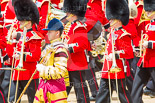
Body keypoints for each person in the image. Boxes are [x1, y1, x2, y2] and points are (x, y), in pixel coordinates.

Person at [95, 0, 133, 103]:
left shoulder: (123, 34)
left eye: (111, 19)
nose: (109, 21)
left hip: (118, 69)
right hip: (107, 68)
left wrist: (115, 55)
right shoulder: (112, 32)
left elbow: (128, 52)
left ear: (118, 20)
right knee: (102, 94)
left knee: (122, 94)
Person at [10, 0, 44, 102]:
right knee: (13, 99)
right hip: (17, 73)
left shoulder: (34, 37)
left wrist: (21, 56)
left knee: (33, 99)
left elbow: (35, 56)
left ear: (28, 22)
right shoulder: (22, 35)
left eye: (22, 20)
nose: (19, 22)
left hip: (29, 73)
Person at [34, 18, 69, 103]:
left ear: (57, 33)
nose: (47, 34)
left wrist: (43, 69)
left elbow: (60, 71)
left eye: (50, 32)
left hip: (55, 89)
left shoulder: (60, 49)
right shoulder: (50, 47)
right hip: (44, 87)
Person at [63, 0, 91, 102]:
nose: (66, 15)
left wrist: (69, 47)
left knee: (80, 90)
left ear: (73, 14)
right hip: (68, 63)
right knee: (64, 89)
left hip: (77, 63)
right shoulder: (69, 26)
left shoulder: (79, 27)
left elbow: (83, 44)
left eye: (68, 13)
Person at [131, 0, 155, 102]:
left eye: (149, 11)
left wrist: (149, 44)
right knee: (135, 92)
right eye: (147, 11)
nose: (147, 13)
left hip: (153, 61)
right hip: (144, 61)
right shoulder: (148, 25)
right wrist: (139, 48)